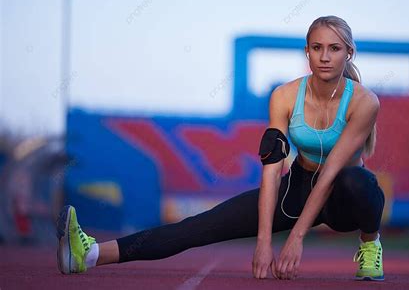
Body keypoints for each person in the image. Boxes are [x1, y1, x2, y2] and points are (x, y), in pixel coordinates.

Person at [56, 15, 385, 281]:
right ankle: (90, 253)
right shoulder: (285, 96)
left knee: (361, 183)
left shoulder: (364, 101)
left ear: (349, 53)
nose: (325, 56)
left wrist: (295, 238)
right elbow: (272, 169)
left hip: (344, 194)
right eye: (317, 47)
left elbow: (329, 174)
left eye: (334, 48)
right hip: (296, 188)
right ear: (307, 52)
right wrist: (263, 241)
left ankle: (370, 245)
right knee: (198, 227)